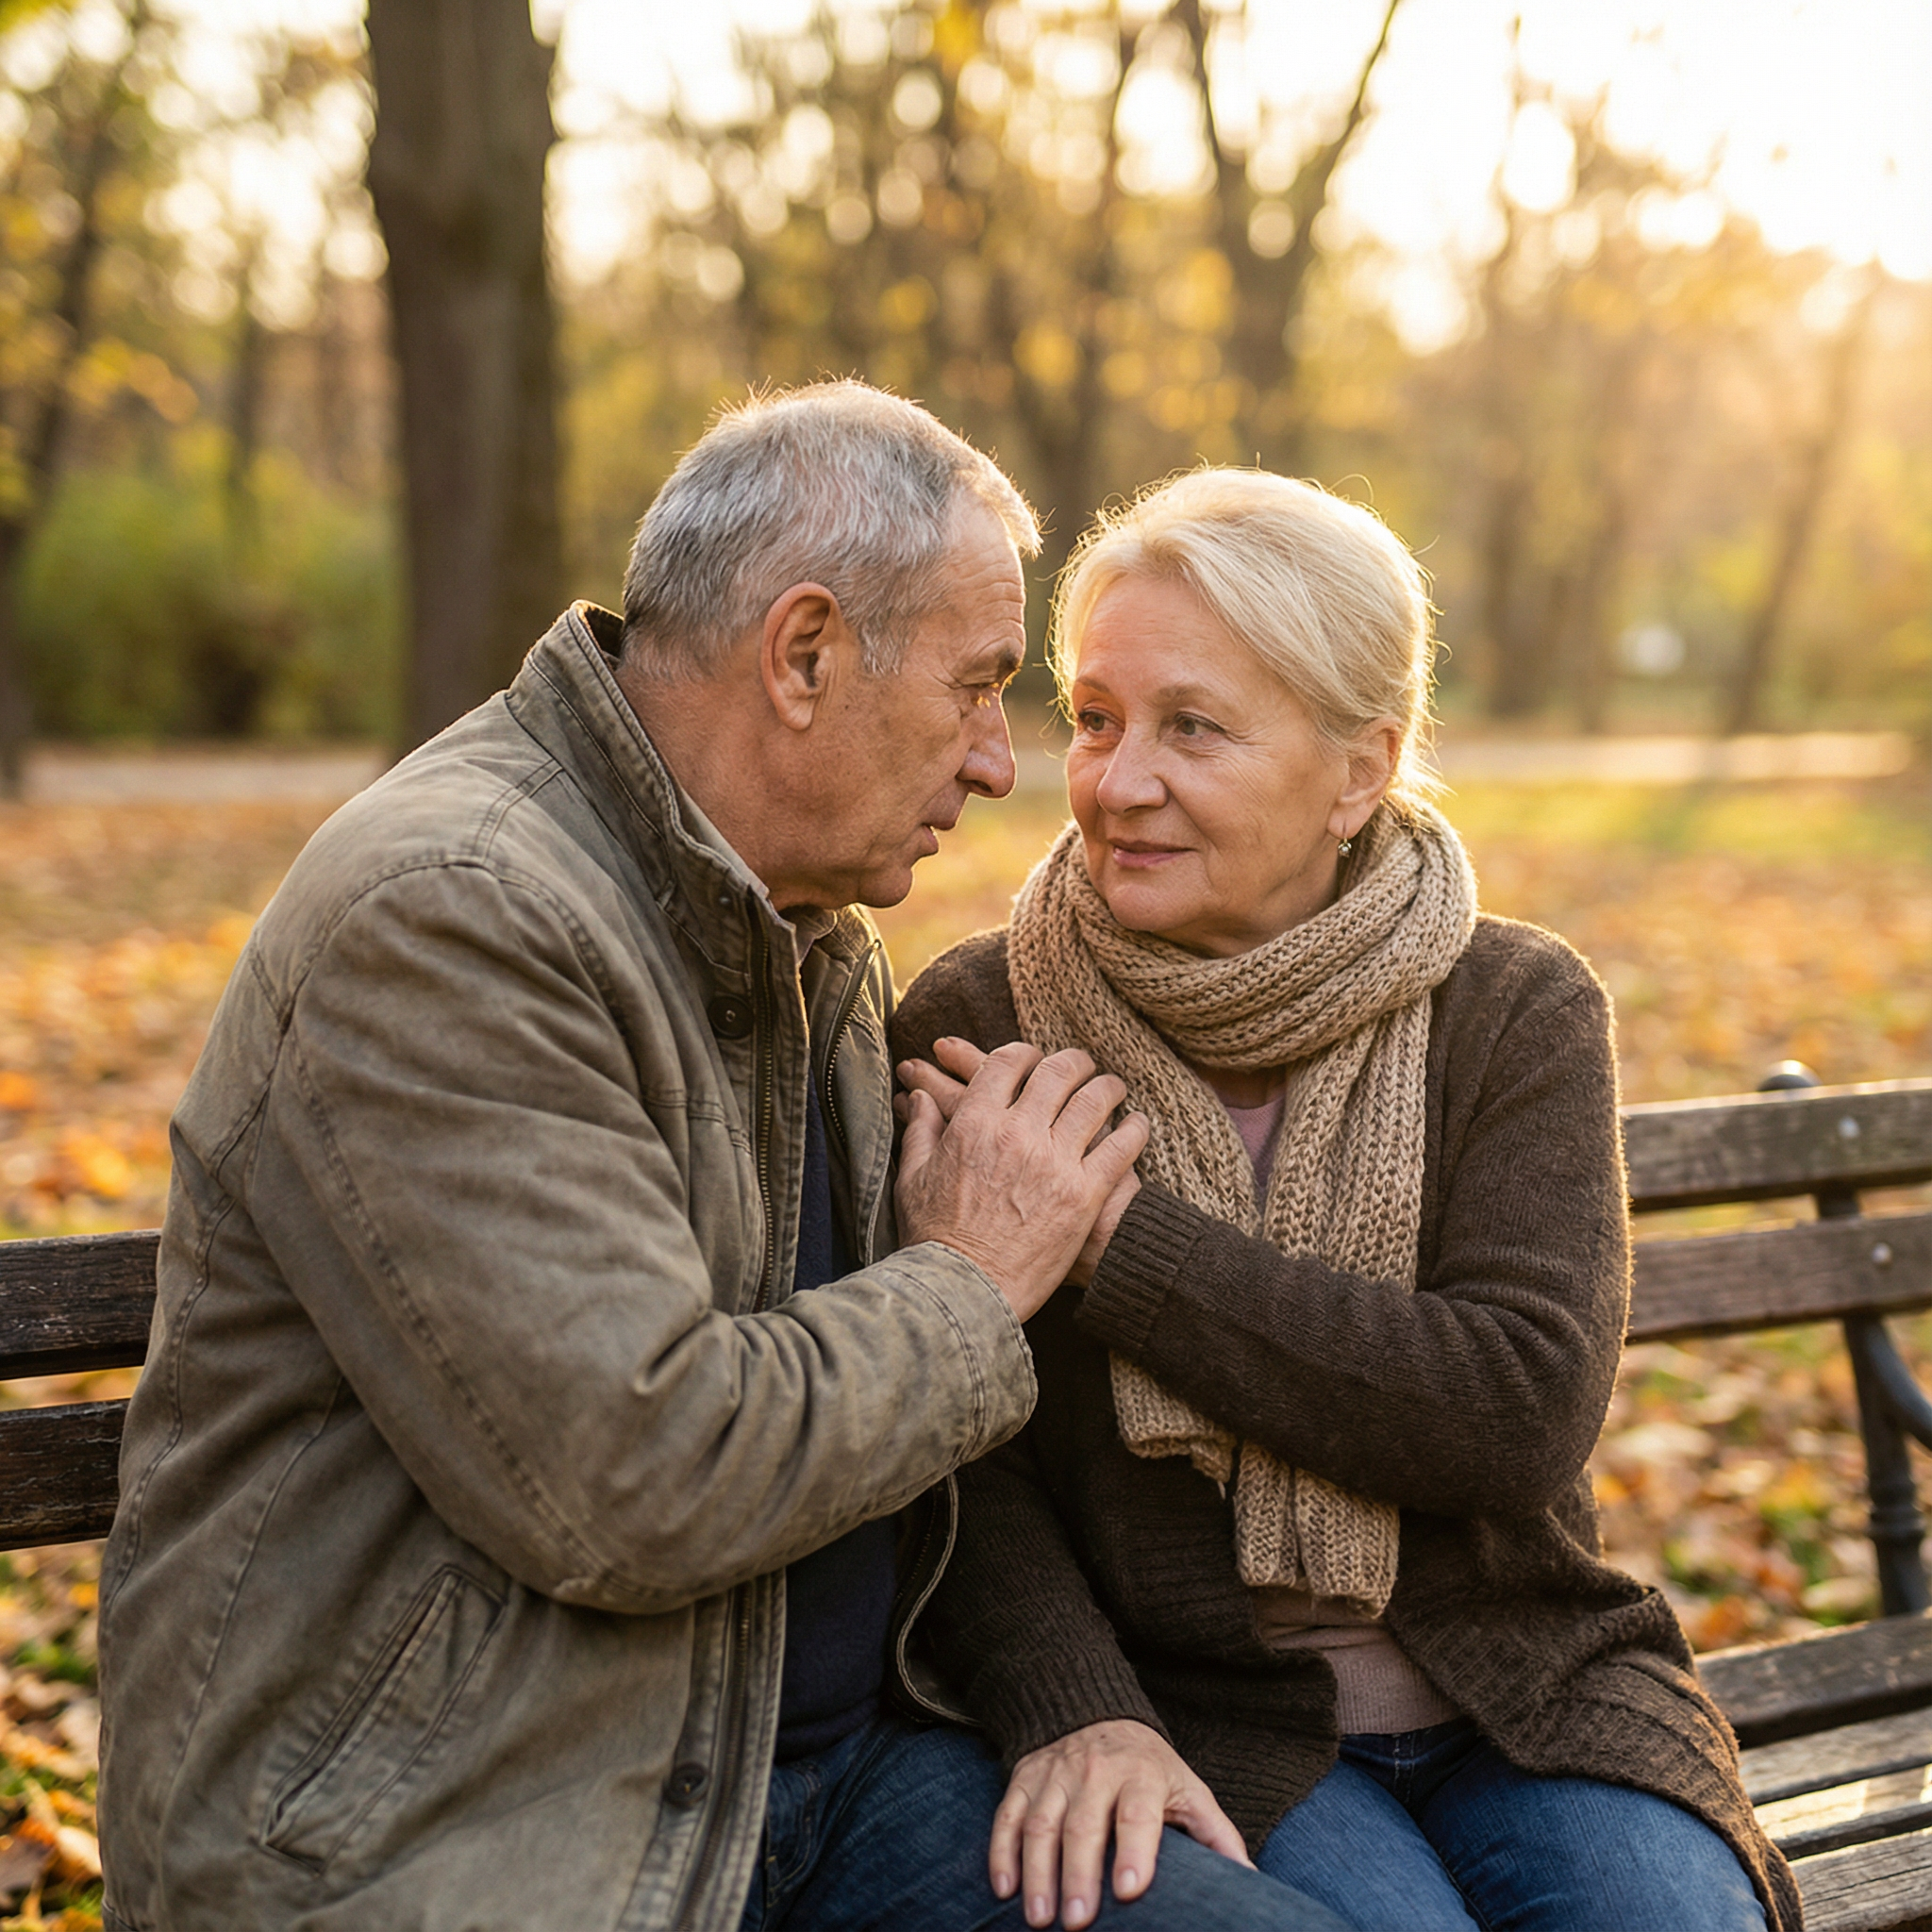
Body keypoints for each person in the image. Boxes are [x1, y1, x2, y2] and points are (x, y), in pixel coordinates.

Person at [95, 390, 1352, 1932]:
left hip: (812, 1776)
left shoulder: (799, 922)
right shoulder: (453, 915)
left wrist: (1076, 1696)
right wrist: (974, 1277)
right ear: (805, 653)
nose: (996, 762)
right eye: (974, 689)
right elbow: (636, 1480)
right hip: (483, 1831)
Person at [892, 467, 1801, 1932]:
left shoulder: (1512, 1008)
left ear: (1359, 769)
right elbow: (955, 1451)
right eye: (1098, 717)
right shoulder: (980, 1025)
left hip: (1528, 1693)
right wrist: (1071, 1703)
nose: (1118, 781)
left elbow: (1513, 1407)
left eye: (1194, 727)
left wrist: (1120, 1243)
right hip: (1204, 1708)